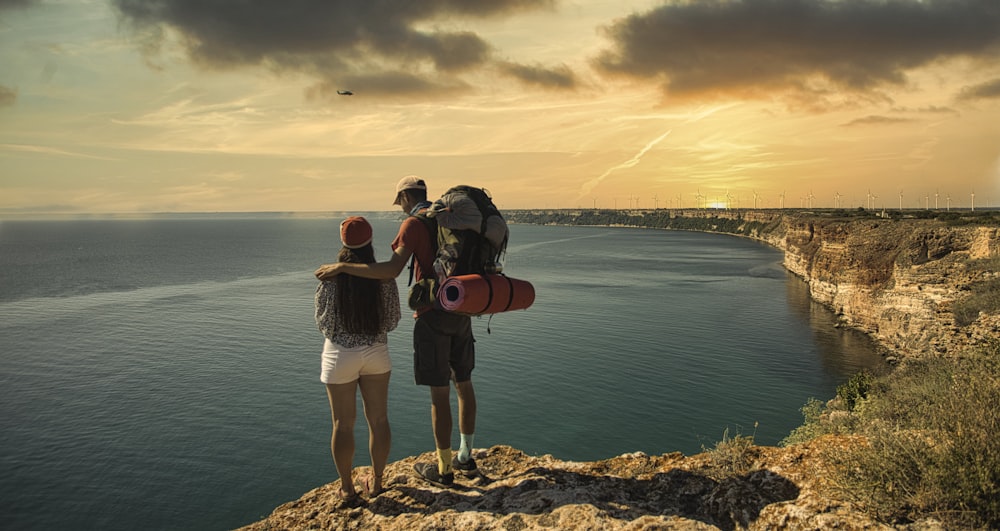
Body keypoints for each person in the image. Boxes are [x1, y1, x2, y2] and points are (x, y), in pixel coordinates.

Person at [314, 175, 479, 488]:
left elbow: (390, 269)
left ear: (405, 196)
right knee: (464, 383)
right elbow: (390, 316)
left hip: (432, 312)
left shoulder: (413, 224)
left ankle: (444, 470)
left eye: (400, 201)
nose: (400, 207)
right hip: (462, 304)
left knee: (439, 394)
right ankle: (465, 457)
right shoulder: (449, 218)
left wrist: (342, 268)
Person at [315, 216, 401, 506]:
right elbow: (392, 320)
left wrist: (345, 336)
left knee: (342, 424)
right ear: (370, 240)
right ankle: (377, 483)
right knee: (378, 419)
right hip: (376, 352)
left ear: (343, 242)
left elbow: (323, 322)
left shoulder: (330, 276)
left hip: (340, 353)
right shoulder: (383, 278)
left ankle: (347, 489)